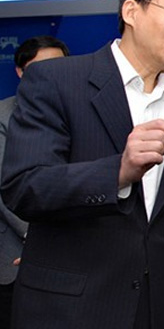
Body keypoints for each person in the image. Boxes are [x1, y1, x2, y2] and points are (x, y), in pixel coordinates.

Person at [1, 0, 164, 329]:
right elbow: (24, 186)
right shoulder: (56, 80)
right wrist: (118, 172)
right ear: (131, 11)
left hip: (152, 305)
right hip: (71, 307)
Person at [0, 35, 69, 329]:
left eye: (59, 67)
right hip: (15, 256)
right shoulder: (3, 116)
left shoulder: (79, 112)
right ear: (20, 72)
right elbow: (6, 186)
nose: (52, 76)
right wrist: (40, 239)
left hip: (70, 259)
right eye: (41, 68)